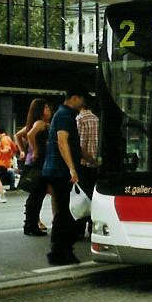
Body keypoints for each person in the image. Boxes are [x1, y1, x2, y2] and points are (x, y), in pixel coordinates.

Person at [42, 88, 87, 265]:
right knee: (65, 213)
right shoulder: (64, 115)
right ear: (74, 97)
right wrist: (72, 169)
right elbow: (62, 142)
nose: (83, 103)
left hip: (58, 170)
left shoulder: (65, 114)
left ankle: (61, 250)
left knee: (64, 212)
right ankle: (60, 251)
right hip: (60, 171)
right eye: (81, 99)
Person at [15, 99, 52, 236]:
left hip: (34, 162)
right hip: (39, 162)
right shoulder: (40, 123)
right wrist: (35, 149)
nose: (49, 110)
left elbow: (18, 135)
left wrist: (23, 151)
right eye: (46, 107)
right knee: (37, 194)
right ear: (40, 111)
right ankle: (31, 225)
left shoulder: (34, 123)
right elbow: (29, 135)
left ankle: (30, 224)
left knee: (35, 195)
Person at [76, 98, 99, 238]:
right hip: (95, 166)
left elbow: (80, 146)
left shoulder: (80, 119)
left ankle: (79, 230)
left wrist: (89, 159)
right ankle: (93, 228)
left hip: (84, 164)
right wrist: (96, 161)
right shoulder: (97, 119)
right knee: (94, 197)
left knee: (82, 198)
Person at [0, 128, 16, 203]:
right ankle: (0, 194)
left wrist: (1, 151)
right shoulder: (8, 138)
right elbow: (14, 149)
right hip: (5, 162)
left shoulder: (4, 139)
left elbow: (7, 149)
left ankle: (2, 195)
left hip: (2, 163)